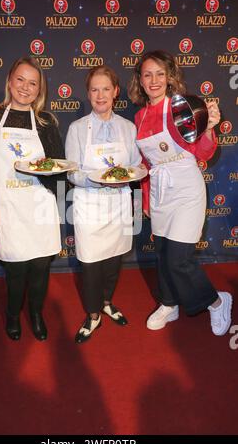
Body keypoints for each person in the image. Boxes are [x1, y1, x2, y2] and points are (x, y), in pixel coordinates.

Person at [0, 56, 66, 341]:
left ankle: (36, 313)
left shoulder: (45, 123)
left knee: (41, 268)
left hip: (40, 206)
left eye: (33, 83)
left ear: (39, 90)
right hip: (9, 208)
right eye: (20, 79)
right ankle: (12, 314)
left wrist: (45, 170)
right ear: (9, 80)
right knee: (16, 270)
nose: (25, 87)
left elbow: (59, 172)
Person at [128, 49, 232, 336]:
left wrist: (209, 129)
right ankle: (168, 302)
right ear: (140, 79)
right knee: (162, 253)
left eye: (160, 73)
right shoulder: (139, 116)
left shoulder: (183, 106)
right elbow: (146, 164)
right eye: (147, 74)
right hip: (160, 190)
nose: (154, 80)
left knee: (179, 258)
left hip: (186, 188)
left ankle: (216, 301)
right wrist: (147, 199)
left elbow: (203, 152)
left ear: (170, 76)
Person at [65, 65, 142, 344]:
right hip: (88, 205)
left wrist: (124, 176)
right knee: (90, 264)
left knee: (113, 260)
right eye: (95, 89)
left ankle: (107, 302)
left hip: (120, 203)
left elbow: (135, 166)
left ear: (115, 92)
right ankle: (93, 314)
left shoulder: (128, 127)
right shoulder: (76, 129)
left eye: (106, 89)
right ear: (88, 94)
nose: (100, 95)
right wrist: (100, 181)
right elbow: (72, 173)